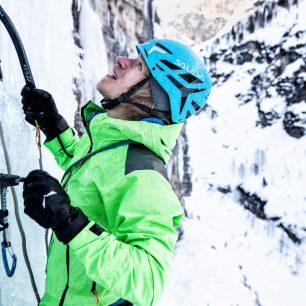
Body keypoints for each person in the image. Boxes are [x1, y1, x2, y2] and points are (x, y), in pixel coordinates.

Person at [21, 39, 212, 306]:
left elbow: (148, 281)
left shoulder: (144, 175)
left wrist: (69, 223)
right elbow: (91, 177)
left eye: (139, 67)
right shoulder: (112, 138)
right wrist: (53, 127)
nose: (122, 60)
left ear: (152, 99)